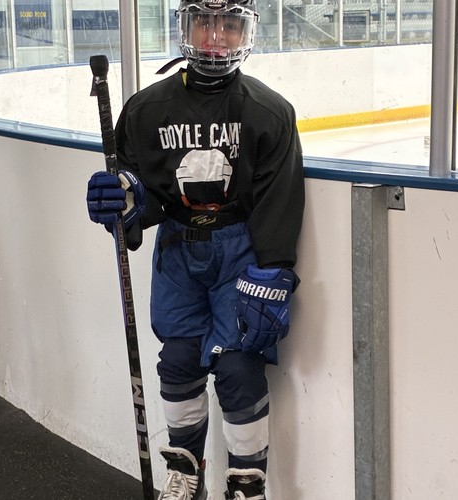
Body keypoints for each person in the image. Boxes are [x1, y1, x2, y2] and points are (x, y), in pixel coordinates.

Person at [86, 0, 305, 498]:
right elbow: (140, 196)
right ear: (184, 26)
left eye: (229, 25)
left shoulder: (269, 111)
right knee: (179, 361)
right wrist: (122, 201)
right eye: (204, 22)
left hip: (240, 252)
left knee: (239, 368)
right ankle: (186, 475)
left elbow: (279, 196)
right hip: (177, 250)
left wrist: (273, 270)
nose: (215, 37)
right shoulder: (145, 110)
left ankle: (247, 485)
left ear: (246, 31)